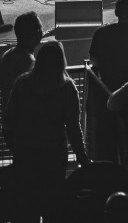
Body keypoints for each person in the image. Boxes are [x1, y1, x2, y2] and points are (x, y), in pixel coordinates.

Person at [3, 41, 89, 222]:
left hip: (26, 151)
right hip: (54, 153)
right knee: (53, 204)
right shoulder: (67, 88)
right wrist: (82, 157)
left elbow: (10, 120)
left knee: (26, 205)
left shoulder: (22, 83)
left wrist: (16, 148)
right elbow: (73, 127)